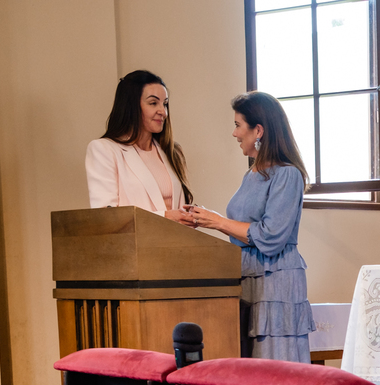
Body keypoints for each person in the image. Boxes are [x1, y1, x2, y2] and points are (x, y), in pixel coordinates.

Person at [189, 92, 314, 362]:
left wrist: (218, 221)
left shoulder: (287, 174)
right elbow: (243, 232)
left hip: (276, 281)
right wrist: (205, 219)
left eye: (237, 125)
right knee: (249, 364)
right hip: (247, 275)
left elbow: (271, 237)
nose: (234, 133)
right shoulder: (252, 174)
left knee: (275, 365)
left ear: (258, 130)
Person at [85, 70, 193, 224]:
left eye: (165, 104)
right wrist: (167, 216)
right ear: (132, 106)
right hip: (134, 246)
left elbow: (179, 207)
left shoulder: (171, 151)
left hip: (176, 246)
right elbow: (105, 216)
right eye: (153, 103)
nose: (163, 112)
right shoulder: (104, 150)